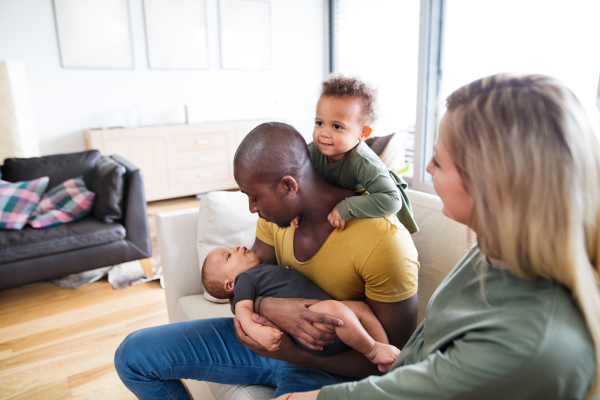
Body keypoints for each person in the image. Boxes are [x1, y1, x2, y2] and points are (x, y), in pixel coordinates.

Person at [269, 74, 600, 400]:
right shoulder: (495, 251)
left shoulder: (530, 346)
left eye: (439, 160)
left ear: (492, 184)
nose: (427, 167)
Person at [114, 122, 419, 399]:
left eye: (254, 197)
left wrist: (297, 353)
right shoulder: (278, 218)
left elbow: (393, 365)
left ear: (289, 186)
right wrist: (268, 307)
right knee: (133, 356)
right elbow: (242, 284)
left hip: (329, 368)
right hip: (264, 339)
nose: (250, 208)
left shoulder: (384, 242)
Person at [201, 245, 401, 372]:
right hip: (313, 327)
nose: (235, 248)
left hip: (325, 313)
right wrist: (258, 332)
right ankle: (373, 351)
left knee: (360, 308)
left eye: (230, 248)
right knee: (336, 309)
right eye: (228, 255)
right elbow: (242, 311)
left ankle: (385, 359)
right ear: (230, 285)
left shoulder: (262, 269)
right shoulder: (244, 280)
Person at [306, 73, 418, 234]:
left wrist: (347, 207)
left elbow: (392, 200)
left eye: (337, 126)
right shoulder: (312, 151)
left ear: (363, 134)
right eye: (320, 123)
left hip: (380, 199)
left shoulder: (363, 161)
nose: (323, 133)